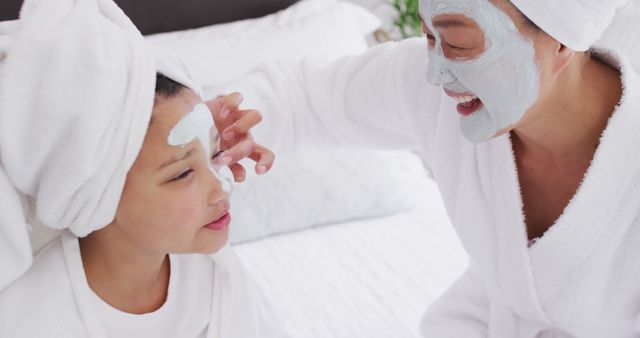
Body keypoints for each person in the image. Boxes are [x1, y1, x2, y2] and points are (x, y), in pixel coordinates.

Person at [217, 0, 640, 336]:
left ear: (562, 41)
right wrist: (221, 127)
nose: (436, 73)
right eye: (427, 38)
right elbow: (301, 96)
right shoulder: (433, 90)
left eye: (458, 44)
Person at [0, 1, 277, 337]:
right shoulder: (32, 319)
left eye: (215, 154)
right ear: (99, 193)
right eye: (182, 173)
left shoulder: (217, 276)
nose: (221, 188)